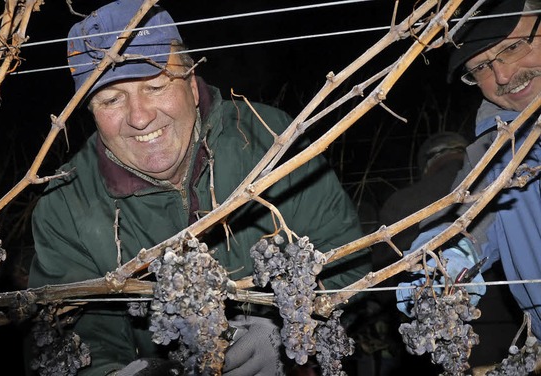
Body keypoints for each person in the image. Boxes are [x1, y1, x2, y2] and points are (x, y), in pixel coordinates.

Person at [27, 1, 371, 375]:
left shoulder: (270, 140)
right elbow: (72, 338)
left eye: (156, 85)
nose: (140, 117)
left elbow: (344, 260)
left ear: (191, 86)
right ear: (90, 112)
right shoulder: (65, 204)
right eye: (111, 99)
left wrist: (287, 332)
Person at [397, 0, 541, 342]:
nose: (502, 76)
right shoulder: (494, 153)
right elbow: (461, 228)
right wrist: (437, 270)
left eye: (513, 47)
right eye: (482, 67)